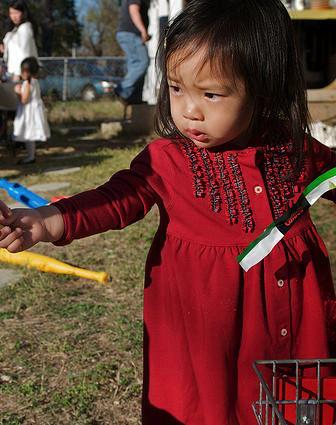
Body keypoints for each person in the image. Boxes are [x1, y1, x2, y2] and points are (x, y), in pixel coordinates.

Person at [0, 0, 336, 423]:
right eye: (176, 88)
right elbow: (117, 198)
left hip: (293, 322)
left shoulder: (294, 150)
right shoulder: (168, 160)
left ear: (263, 86)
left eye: (211, 94)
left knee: (293, 404)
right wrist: (46, 220)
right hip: (206, 335)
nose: (189, 110)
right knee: (209, 408)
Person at [13, 57, 50, 164]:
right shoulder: (35, 81)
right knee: (30, 134)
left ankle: (30, 156)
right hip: (33, 110)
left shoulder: (28, 84)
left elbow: (24, 100)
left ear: (27, 72)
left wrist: (18, 92)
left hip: (29, 112)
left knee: (28, 134)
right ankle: (31, 155)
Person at [115, 0, 150, 105]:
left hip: (128, 34)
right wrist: (143, 31)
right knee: (142, 62)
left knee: (135, 65)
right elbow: (134, 10)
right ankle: (122, 88)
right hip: (131, 34)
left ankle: (133, 97)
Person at [0, 0, 38, 82]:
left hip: (22, 75)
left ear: (23, 13)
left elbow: (25, 52)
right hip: (13, 73)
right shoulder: (15, 30)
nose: (13, 16)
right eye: (11, 13)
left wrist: (21, 74)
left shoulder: (25, 28)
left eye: (16, 13)